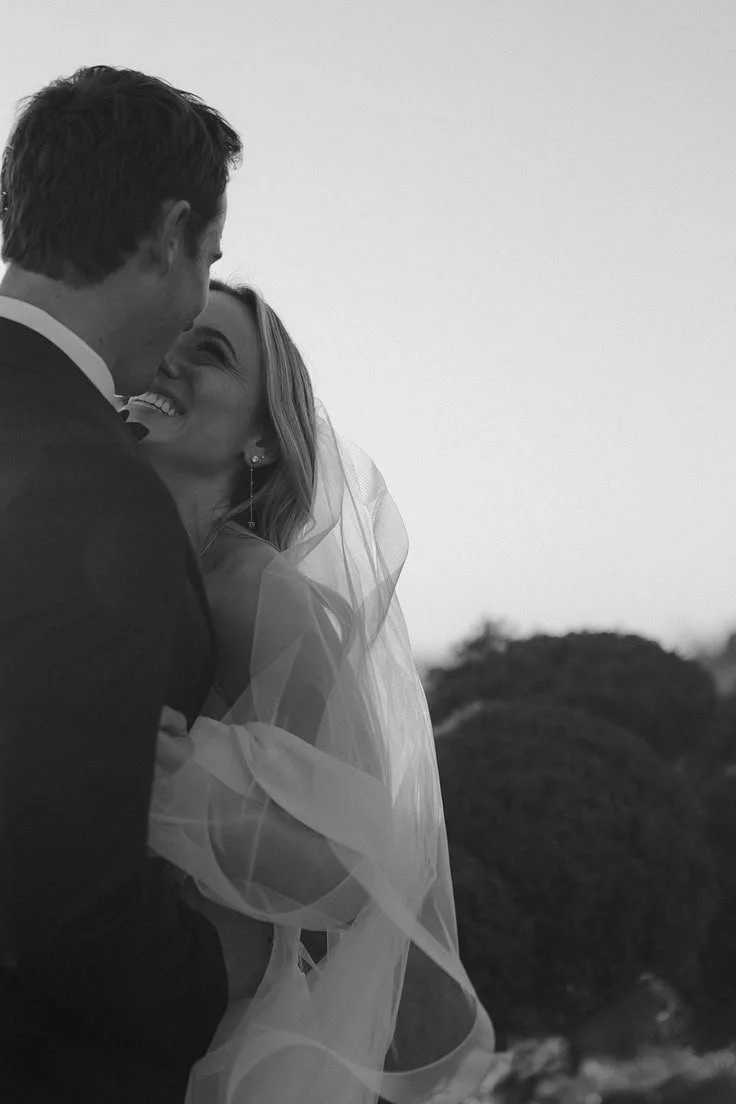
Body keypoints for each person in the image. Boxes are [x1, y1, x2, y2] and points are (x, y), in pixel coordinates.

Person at [132, 279, 498, 1102]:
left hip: (200, 1043)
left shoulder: (254, 593)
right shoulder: (112, 555)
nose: (172, 362)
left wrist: (167, 778)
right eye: (170, 336)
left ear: (261, 438)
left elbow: (356, 878)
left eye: (212, 352)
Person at [0, 67, 246, 1102]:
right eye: (209, 260)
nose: (195, 300)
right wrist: (221, 981)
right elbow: (65, 890)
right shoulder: (89, 481)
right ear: (167, 232)